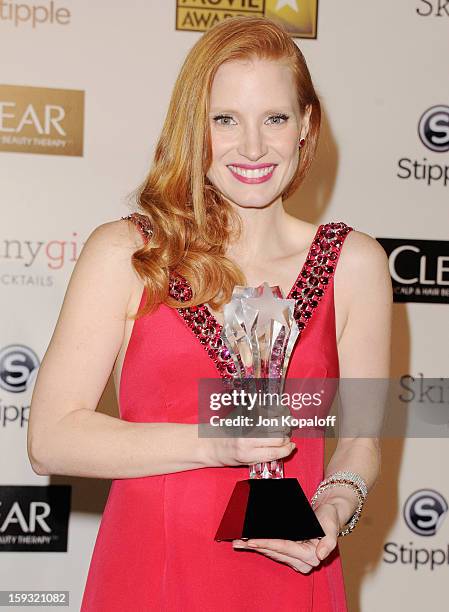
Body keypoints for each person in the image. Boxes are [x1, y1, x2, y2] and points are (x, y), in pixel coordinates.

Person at [27, 15, 392, 612]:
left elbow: (361, 440)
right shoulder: (130, 252)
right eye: (226, 119)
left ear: (305, 124)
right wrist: (216, 442)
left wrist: (337, 504)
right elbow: (51, 438)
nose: (252, 147)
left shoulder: (354, 263)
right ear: (194, 128)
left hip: (289, 573)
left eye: (274, 118)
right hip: (151, 571)